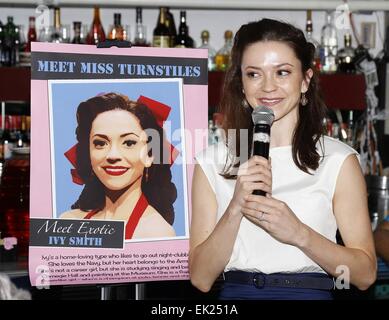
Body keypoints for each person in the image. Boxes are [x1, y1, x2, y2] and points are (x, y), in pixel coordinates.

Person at [189, 19, 377, 299]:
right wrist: (236, 206)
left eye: (282, 72)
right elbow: (201, 278)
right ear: (241, 84)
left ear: (305, 80)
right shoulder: (211, 162)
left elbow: (364, 275)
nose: (267, 87)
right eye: (254, 74)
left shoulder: (338, 160)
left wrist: (299, 233)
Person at [61, 93, 178, 240]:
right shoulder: (69, 222)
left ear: (149, 155)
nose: (112, 155)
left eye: (129, 143)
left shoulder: (158, 233)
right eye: (100, 143)